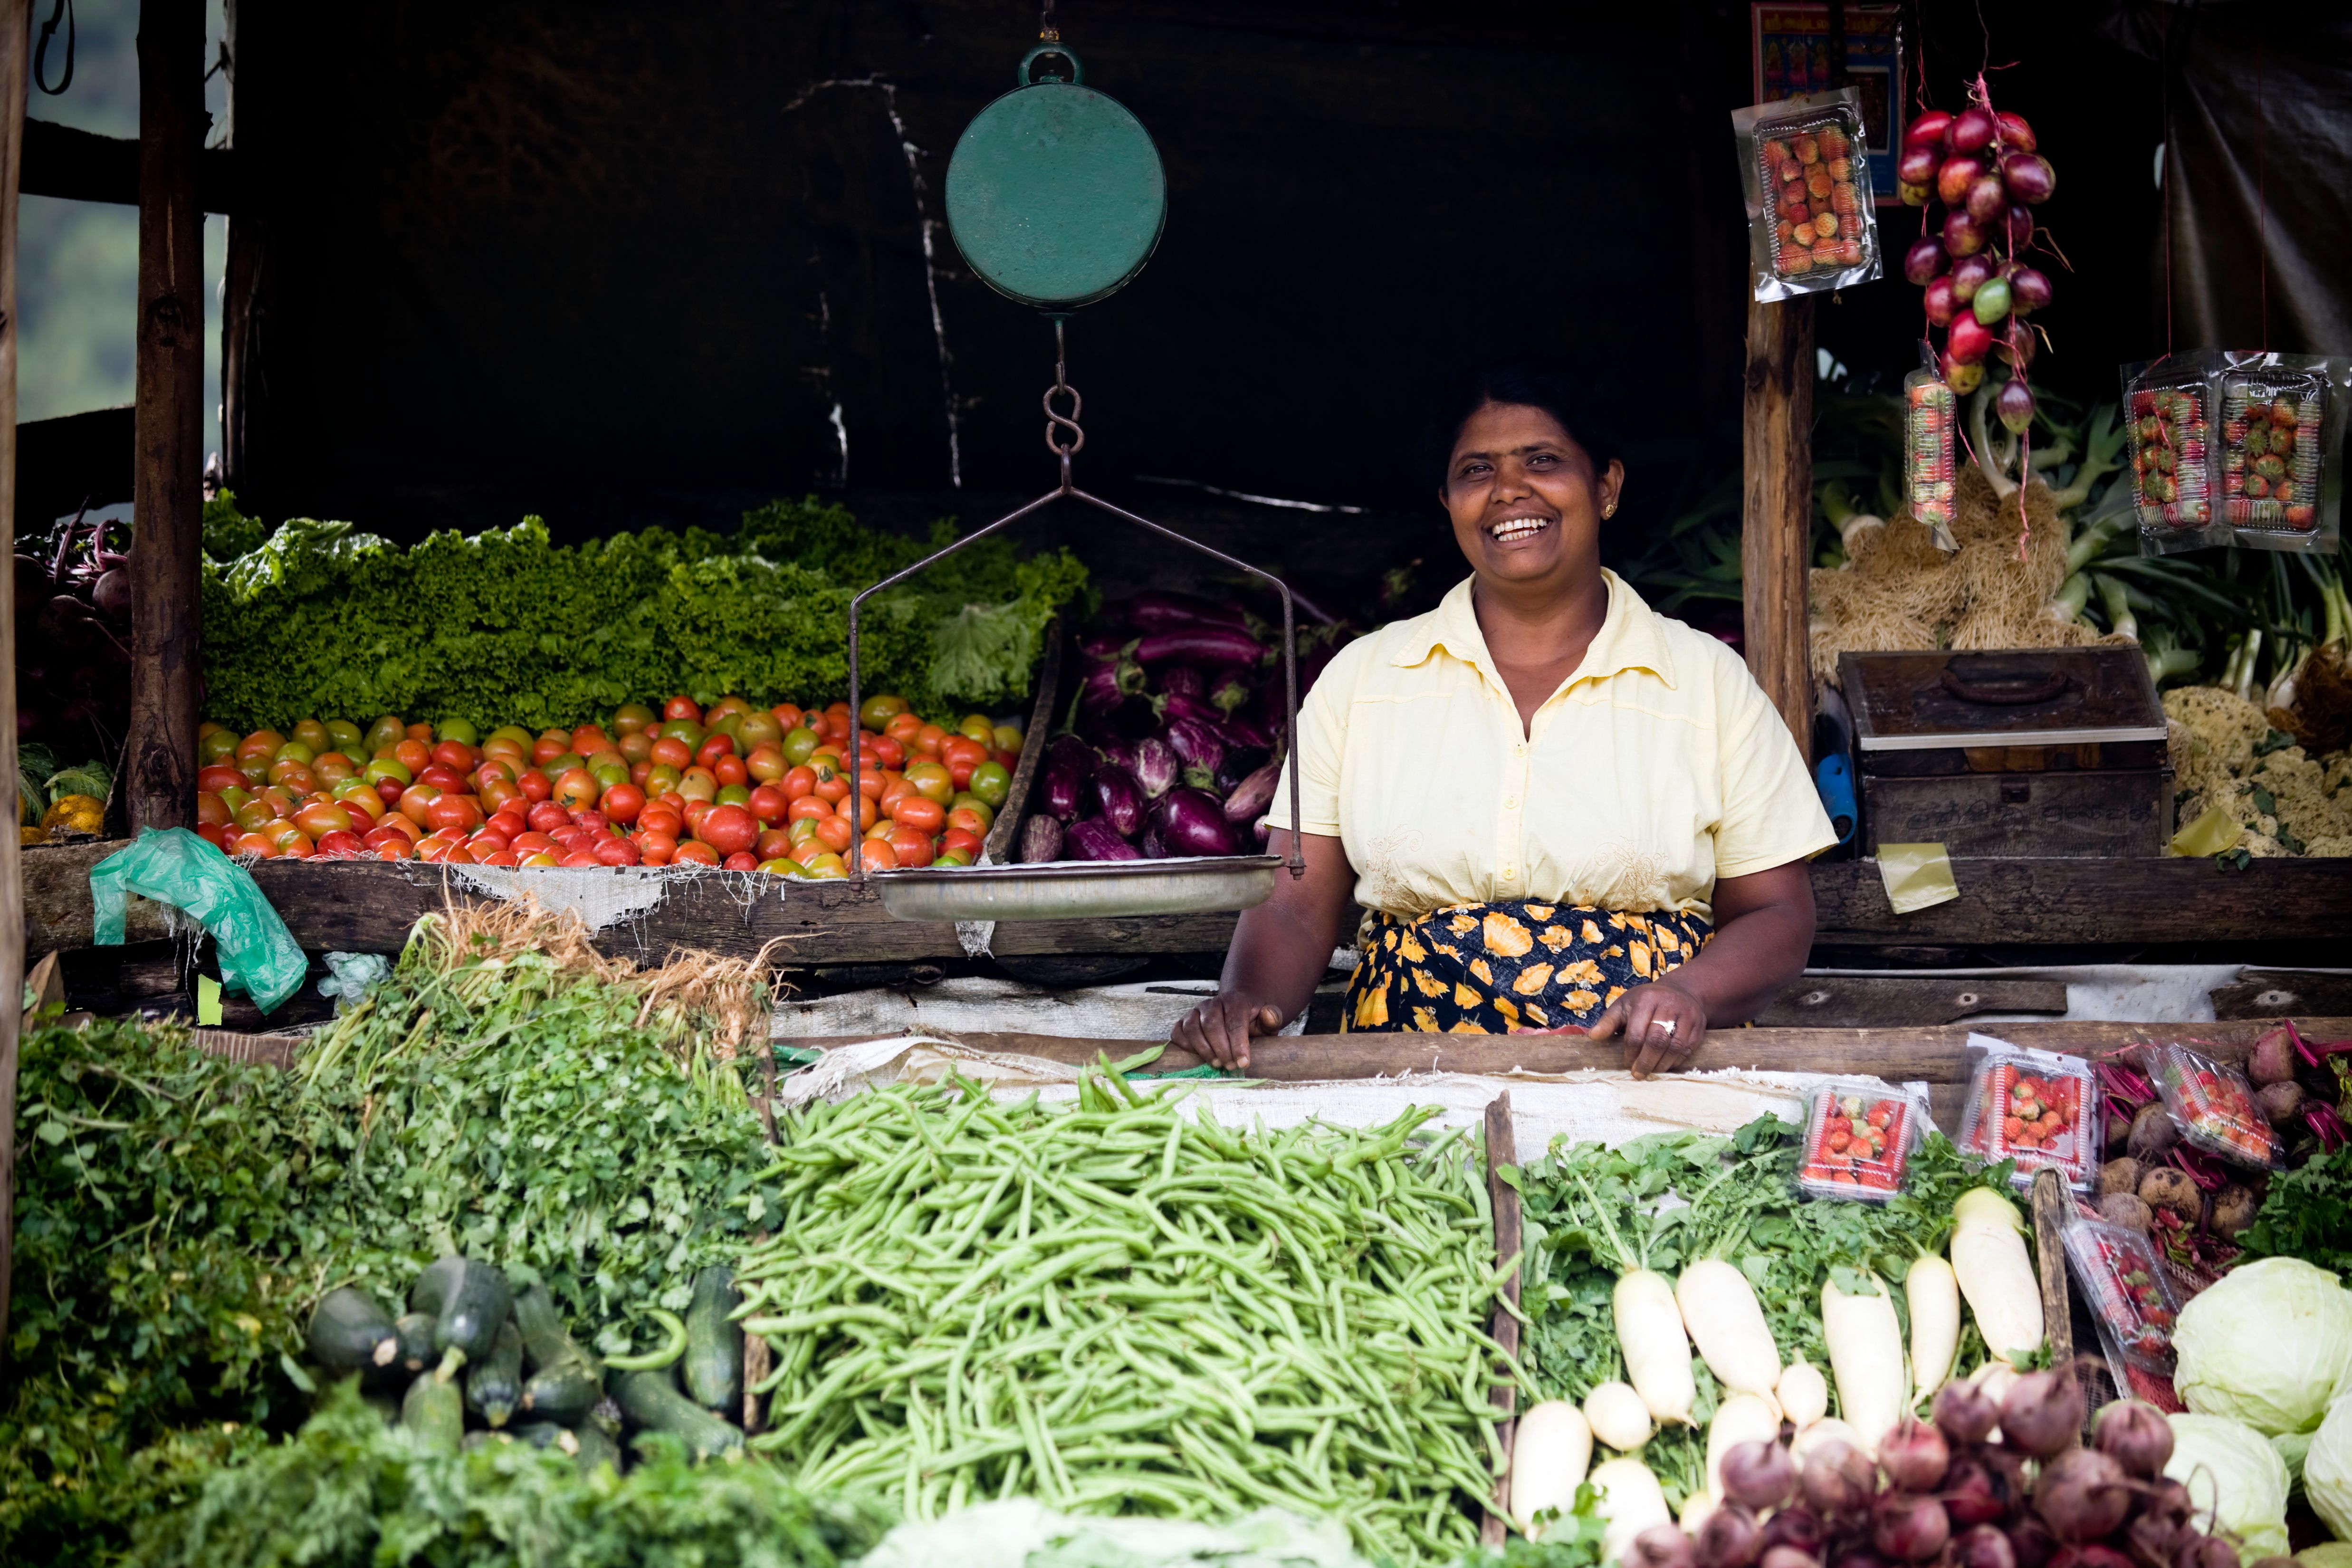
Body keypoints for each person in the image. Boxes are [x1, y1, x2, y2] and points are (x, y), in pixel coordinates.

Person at [1174, 363, 1835, 1075]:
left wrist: (1683, 994)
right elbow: (1293, 906)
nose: (1508, 491)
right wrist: (1247, 1000)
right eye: (1475, 471)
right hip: (1400, 1077)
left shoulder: (1705, 681)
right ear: (1449, 502)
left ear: (1605, 487)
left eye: (1542, 462)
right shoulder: (1363, 681)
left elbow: (1776, 914)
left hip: (1641, 1074)